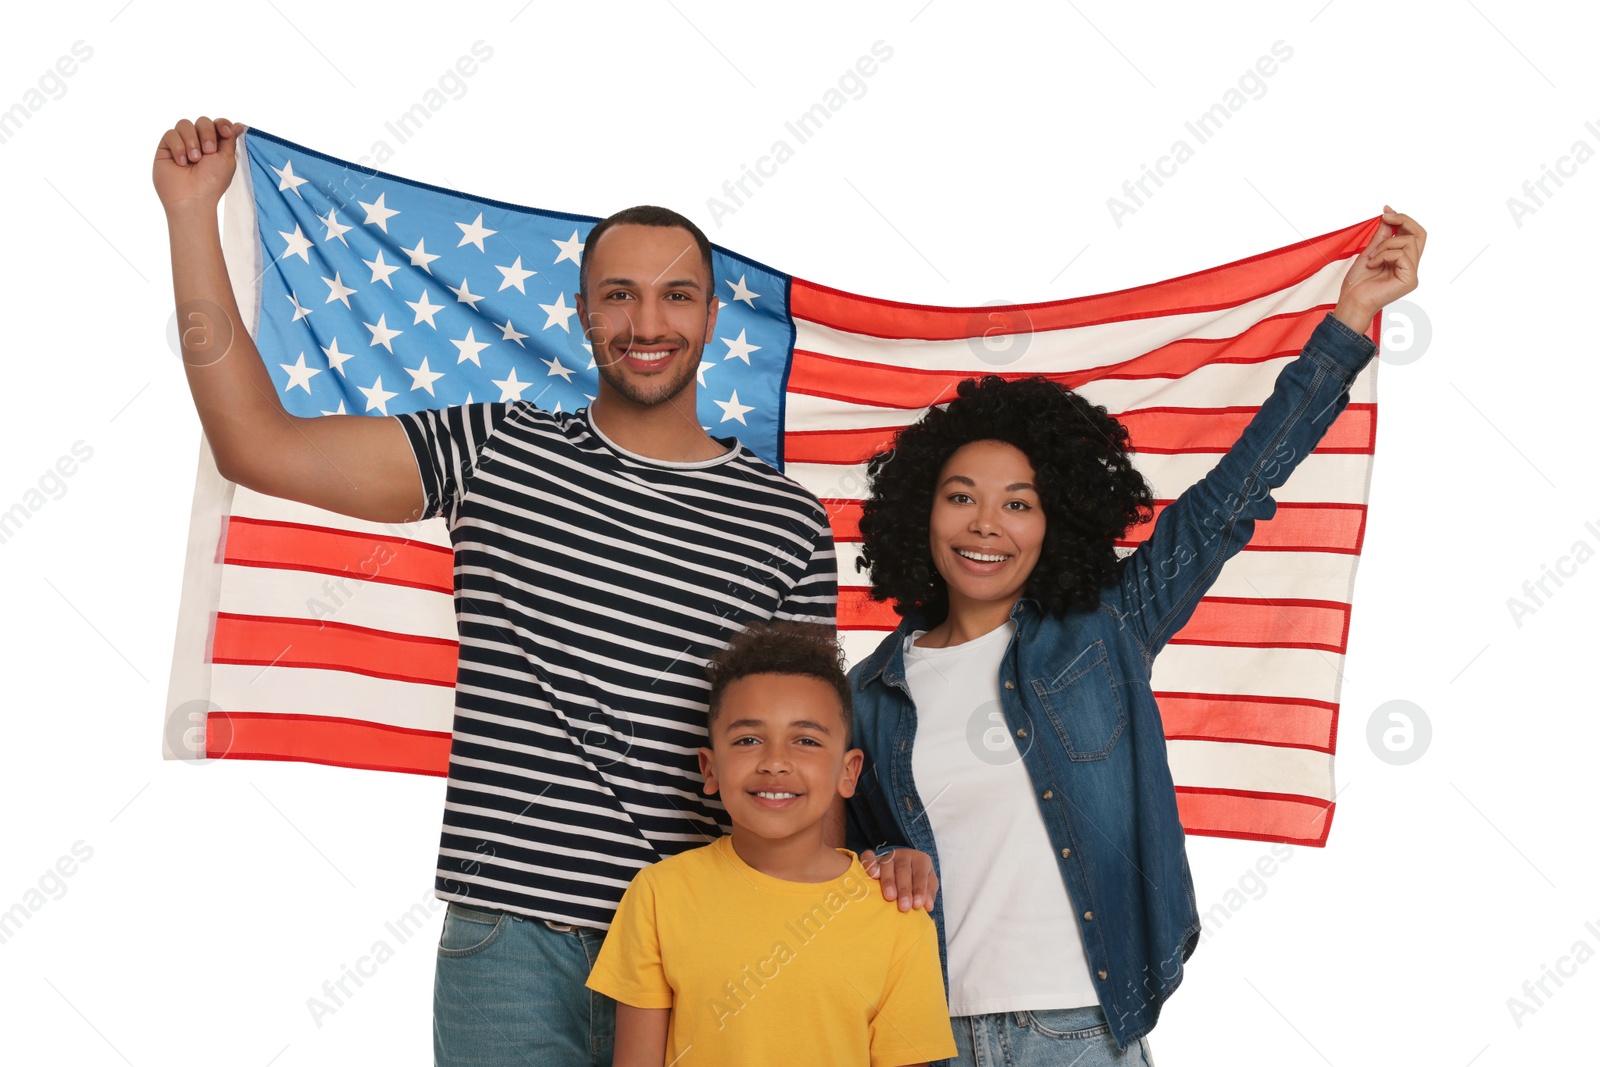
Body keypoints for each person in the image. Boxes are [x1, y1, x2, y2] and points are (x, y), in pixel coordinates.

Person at [153, 115, 864, 1066]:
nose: (647, 324)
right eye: (620, 296)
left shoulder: (786, 523)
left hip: (711, 937)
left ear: (710, 314)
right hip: (510, 946)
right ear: (580, 313)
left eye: (675, 296)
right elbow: (258, 445)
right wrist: (190, 214)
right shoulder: (497, 448)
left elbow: (812, 759)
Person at [845, 211, 1426, 1064]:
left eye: (1020, 502)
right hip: (920, 1036)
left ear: (1057, 521)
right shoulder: (870, 693)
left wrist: (1345, 324)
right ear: (921, 512)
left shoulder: (1102, 631)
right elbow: (844, 859)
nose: (987, 524)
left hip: (1078, 1031)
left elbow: (1231, 499)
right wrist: (877, 859)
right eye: (961, 496)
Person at [587, 622, 957, 1067]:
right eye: (748, 740)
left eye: (805, 740)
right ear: (710, 769)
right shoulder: (658, 895)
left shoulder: (896, 915)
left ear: (849, 772)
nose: (775, 762)